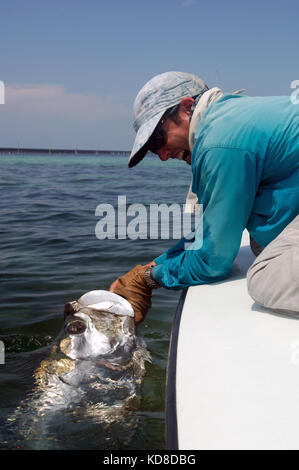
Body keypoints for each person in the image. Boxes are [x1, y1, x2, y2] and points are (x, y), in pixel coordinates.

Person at [110, 71, 299, 324]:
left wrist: (149, 278)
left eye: (157, 139)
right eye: (153, 151)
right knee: (262, 244)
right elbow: (210, 232)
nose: (163, 155)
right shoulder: (227, 120)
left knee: (266, 278)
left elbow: (214, 261)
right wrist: (150, 267)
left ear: (187, 107)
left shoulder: (219, 144)